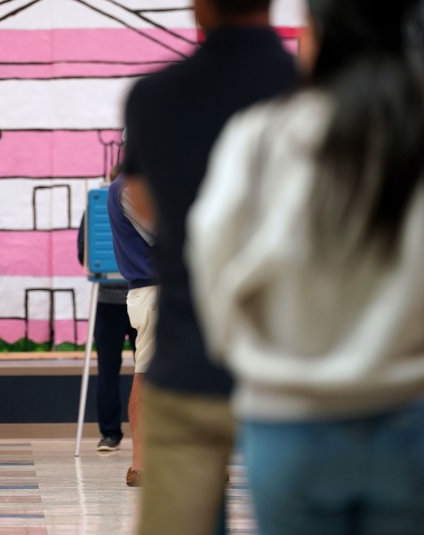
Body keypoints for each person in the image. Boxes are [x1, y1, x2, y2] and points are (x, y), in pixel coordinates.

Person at [188, 1, 424, 533]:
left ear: (317, 39)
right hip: (412, 415)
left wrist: (247, 359)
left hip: (288, 421)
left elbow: (212, 258)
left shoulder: (262, 135)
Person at [121, 0, 298, 532]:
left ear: (198, 7)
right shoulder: (311, 91)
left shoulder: (154, 96)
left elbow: (140, 200)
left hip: (189, 339)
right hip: (289, 345)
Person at [106, 172, 158, 487]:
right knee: (147, 374)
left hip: (163, 290)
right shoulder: (129, 187)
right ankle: (140, 465)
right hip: (154, 291)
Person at [77, 190, 138, 453]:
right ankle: (134, 434)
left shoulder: (98, 205)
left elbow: (84, 253)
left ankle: (110, 435)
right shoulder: (146, 200)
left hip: (114, 299)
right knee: (147, 371)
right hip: (138, 294)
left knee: (108, 370)